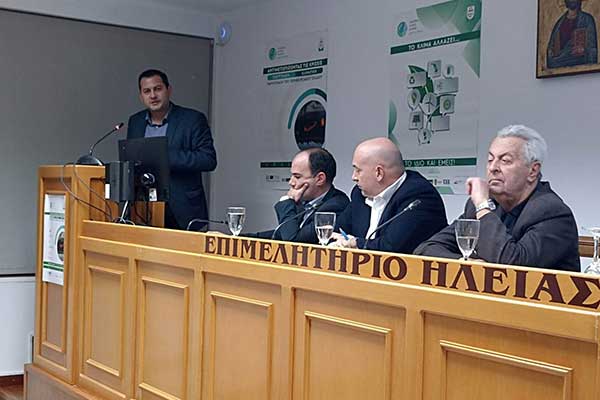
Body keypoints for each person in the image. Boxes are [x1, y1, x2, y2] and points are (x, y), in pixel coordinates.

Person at [415, 125, 580, 272]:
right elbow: (426, 249)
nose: (493, 168)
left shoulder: (552, 213)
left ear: (533, 171)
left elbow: (513, 266)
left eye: (505, 161)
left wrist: (482, 207)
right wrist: (464, 263)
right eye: (490, 160)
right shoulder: (481, 205)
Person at [127, 69, 217, 230]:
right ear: (141, 96)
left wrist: (165, 157)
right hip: (144, 207)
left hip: (184, 208)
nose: (153, 95)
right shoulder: (135, 122)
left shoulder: (192, 119)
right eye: (147, 91)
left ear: (169, 90)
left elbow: (208, 159)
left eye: (158, 89)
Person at [330, 137, 447, 253]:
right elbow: (337, 231)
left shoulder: (419, 196)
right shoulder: (360, 194)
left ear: (379, 173)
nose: (354, 177)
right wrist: (339, 240)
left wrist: (355, 243)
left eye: (358, 170)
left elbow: (392, 247)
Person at [253, 147, 349, 243]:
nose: (291, 182)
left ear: (320, 179)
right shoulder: (304, 201)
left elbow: (294, 242)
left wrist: (286, 201)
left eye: (297, 177)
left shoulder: (336, 205)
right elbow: (280, 234)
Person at [547, 0, 597, 69]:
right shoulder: (559, 23)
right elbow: (551, 47)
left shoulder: (587, 19)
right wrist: (552, 53)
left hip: (578, 61)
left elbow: (592, 48)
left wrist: (584, 50)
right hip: (558, 62)